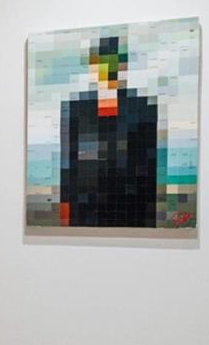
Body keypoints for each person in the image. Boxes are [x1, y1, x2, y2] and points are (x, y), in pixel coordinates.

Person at [59, 34, 158, 227]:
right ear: (93, 66)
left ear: (123, 66)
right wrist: (66, 210)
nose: (108, 69)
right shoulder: (76, 109)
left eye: (114, 61)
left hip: (130, 206)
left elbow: (150, 170)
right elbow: (68, 164)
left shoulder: (143, 108)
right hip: (85, 208)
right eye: (102, 62)